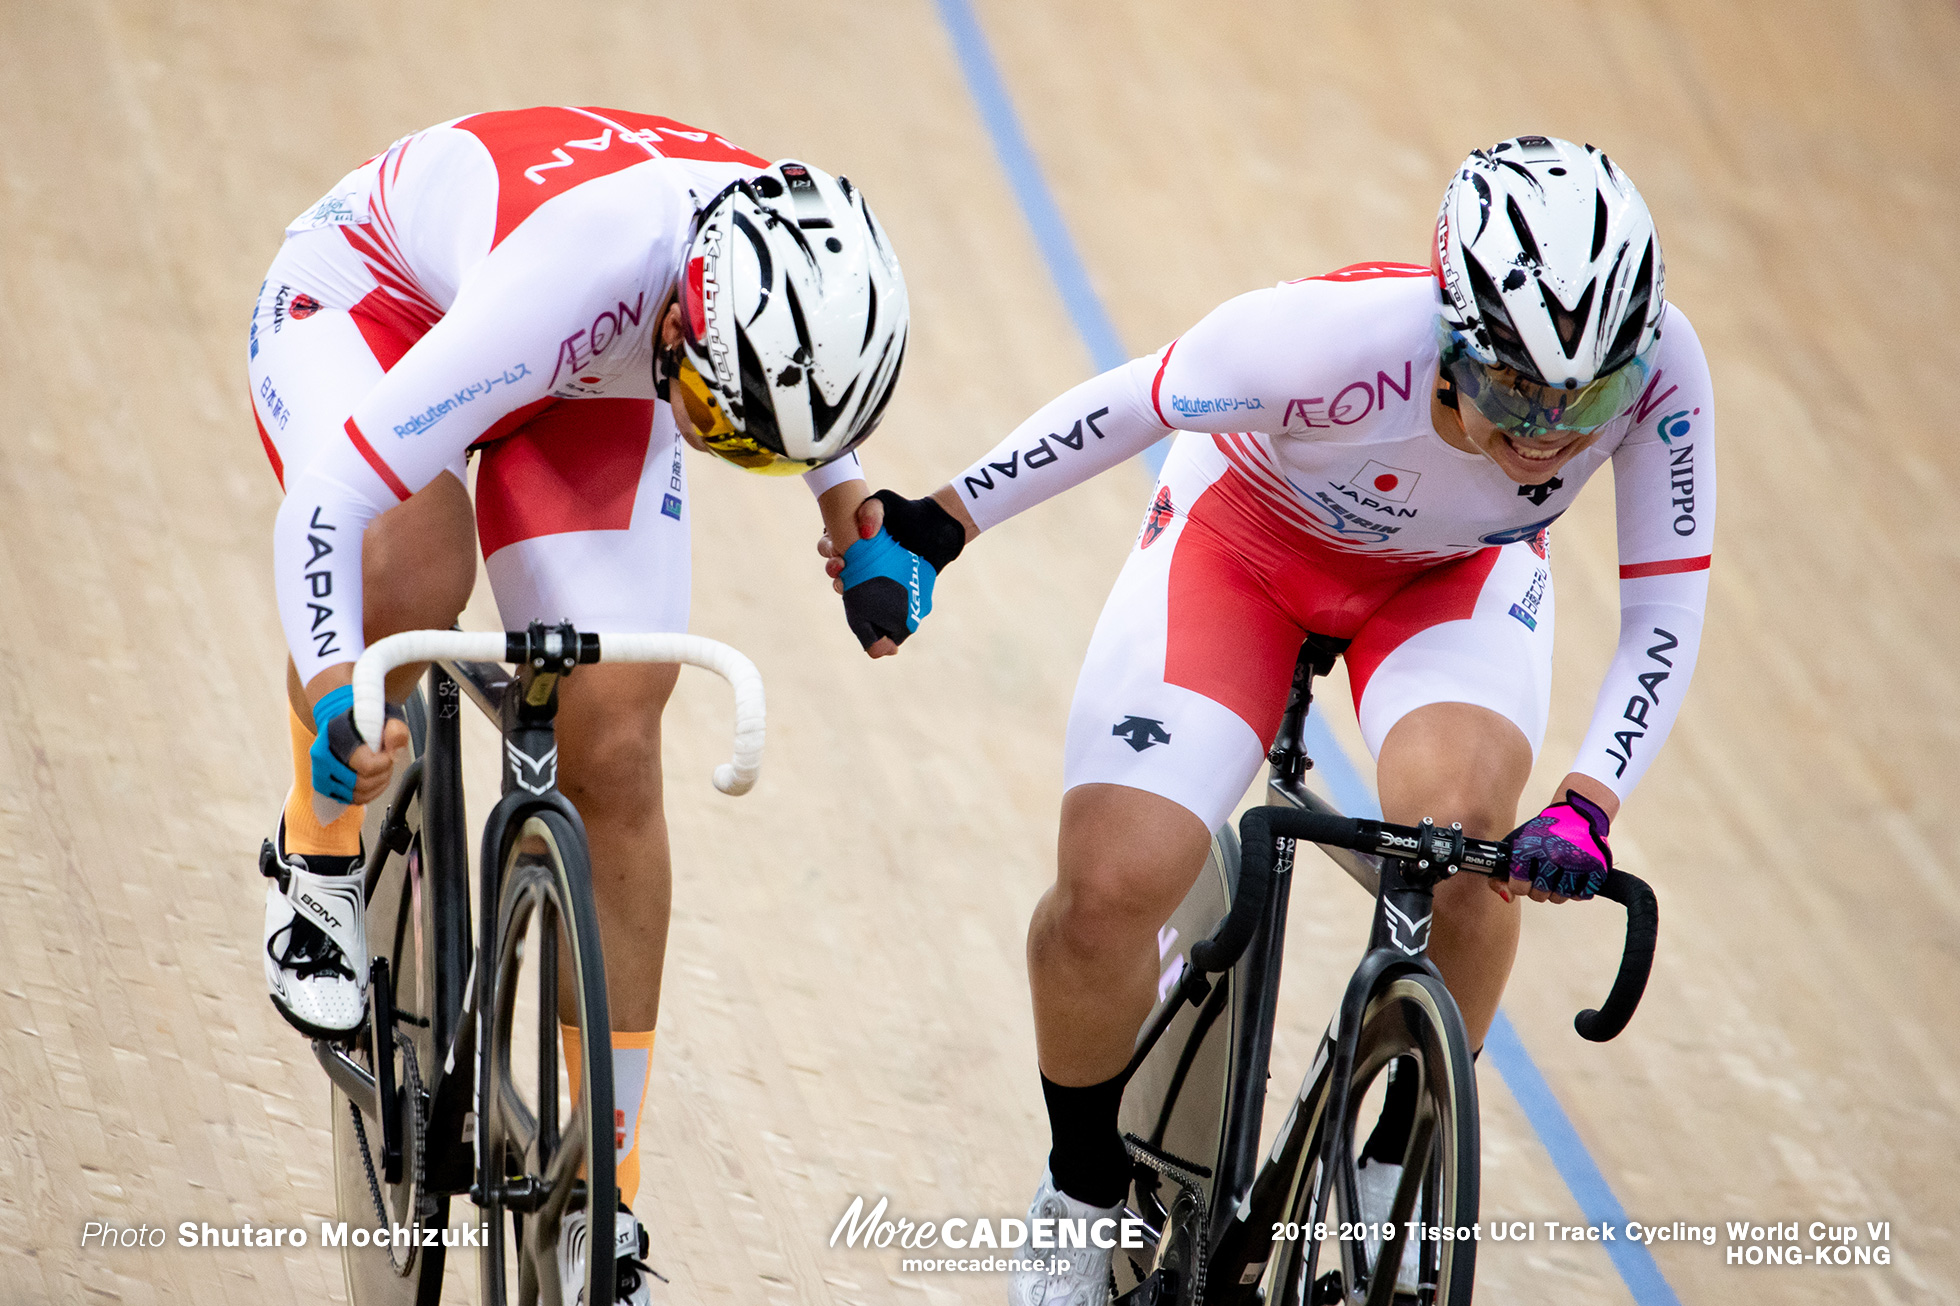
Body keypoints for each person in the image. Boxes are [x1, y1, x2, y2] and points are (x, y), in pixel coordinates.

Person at [823, 136, 1713, 1303]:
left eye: (1581, 402)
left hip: (1451, 579)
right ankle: (1079, 1196)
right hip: (1245, 544)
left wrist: (1589, 805)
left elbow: (1663, 605)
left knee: (1462, 845)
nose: (1548, 434)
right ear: (1452, 336)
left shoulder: (1659, 368)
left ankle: (1392, 1167)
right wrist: (931, 526)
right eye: (1512, 394)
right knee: (1107, 891)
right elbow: (1125, 405)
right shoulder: (1322, 345)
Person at [247, 105, 907, 1303]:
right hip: (384, 311)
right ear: (682, 311)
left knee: (613, 738)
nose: (710, 444)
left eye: (733, 442)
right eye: (708, 419)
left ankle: (599, 1206)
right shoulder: (583, 270)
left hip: (585, 361)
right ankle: (319, 856)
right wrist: (342, 688)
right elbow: (329, 505)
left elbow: (805, 375)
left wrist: (841, 497)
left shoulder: (792, 248)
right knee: (407, 573)